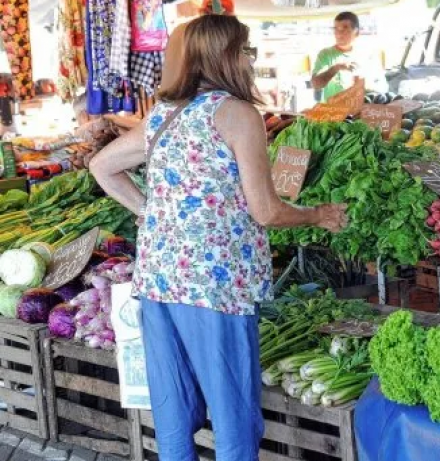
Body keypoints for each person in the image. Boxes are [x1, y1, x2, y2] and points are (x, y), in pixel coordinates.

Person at [89, 15, 347, 460]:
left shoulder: (164, 115)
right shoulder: (238, 114)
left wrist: (152, 212)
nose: (251, 59)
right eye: (246, 51)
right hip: (215, 286)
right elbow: (265, 210)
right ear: (226, 57)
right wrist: (317, 215)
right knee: (232, 415)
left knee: (173, 412)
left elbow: (101, 167)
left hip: (158, 281)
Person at [311, 12, 385, 102]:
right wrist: (336, 68)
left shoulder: (368, 55)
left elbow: (381, 87)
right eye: (336, 29)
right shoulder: (325, 55)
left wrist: (362, 86)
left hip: (360, 112)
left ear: (357, 32)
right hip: (332, 112)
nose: (339, 33)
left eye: (345, 28)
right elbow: (316, 84)